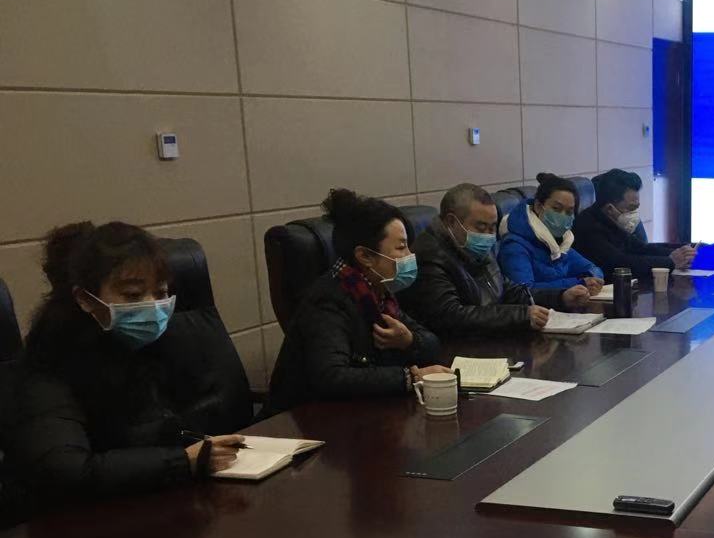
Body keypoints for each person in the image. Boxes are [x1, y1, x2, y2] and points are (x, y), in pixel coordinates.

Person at [3, 221, 252, 509]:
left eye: (161, 293)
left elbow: (157, 430)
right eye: (133, 295)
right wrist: (183, 461)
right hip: (65, 521)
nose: (152, 306)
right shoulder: (50, 361)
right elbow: (65, 470)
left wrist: (200, 446)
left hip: (148, 504)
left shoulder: (148, 344)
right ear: (85, 299)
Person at [265, 189, 446, 413]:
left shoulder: (378, 292)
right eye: (401, 247)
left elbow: (432, 344)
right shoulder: (327, 300)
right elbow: (332, 377)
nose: (410, 255)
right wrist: (411, 377)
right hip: (304, 421)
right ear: (365, 256)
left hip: (362, 412)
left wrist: (409, 340)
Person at [399, 183, 591, 340]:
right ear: (451, 222)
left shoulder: (474, 246)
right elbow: (452, 316)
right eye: (481, 227)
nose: (488, 235)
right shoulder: (430, 257)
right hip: (456, 351)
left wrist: (560, 297)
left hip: (489, 339)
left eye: (492, 227)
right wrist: (521, 316)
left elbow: (507, 290)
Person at [571, 168, 697, 283]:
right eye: (631, 208)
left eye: (636, 208)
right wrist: (670, 261)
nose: (634, 214)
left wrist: (678, 253)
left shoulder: (612, 221)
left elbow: (641, 248)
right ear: (610, 208)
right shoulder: (588, 227)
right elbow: (620, 263)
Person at [496, 173, 604, 292]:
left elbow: (593, 270)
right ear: (538, 206)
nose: (563, 216)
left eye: (569, 212)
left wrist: (592, 280)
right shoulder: (515, 247)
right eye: (556, 209)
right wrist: (578, 283)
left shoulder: (560, 241)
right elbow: (524, 291)